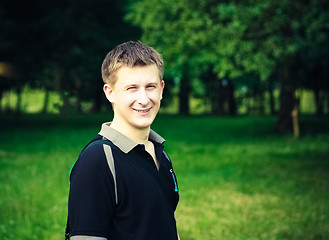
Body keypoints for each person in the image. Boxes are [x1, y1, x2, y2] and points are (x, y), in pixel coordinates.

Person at [66, 41, 180, 240]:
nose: (144, 99)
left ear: (161, 89)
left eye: (150, 86)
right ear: (110, 92)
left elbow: (165, 224)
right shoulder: (98, 160)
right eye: (132, 88)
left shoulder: (160, 153)